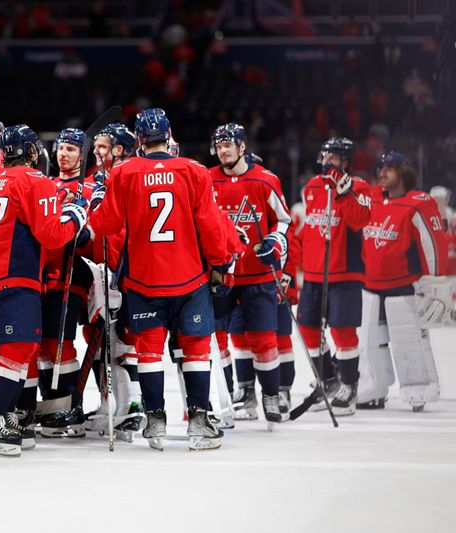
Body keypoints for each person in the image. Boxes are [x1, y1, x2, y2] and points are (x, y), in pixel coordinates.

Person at [89, 108, 232, 450]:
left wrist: (98, 197)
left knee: (149, 351)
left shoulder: (123, 173)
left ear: (138, 140)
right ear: (168, 136)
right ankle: (199, 421)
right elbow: (210, 227)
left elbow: (105, 226)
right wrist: (221, 262)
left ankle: (155, 422)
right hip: (188, 277)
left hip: (143, 279)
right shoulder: (194, 170)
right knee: (196, 349)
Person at [0, 124, 86, 457]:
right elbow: (51, 235)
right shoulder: (36, 180)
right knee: (20, 347)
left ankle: (0, 413)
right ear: (33, 152)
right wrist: (76, 214)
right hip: (13, 274)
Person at [209, 123, 292, 425]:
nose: (223, 150)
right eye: (219, 145)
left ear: (243, 147)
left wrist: (275, 241)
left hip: (257, 276)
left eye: (229, 144)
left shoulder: (265, 180)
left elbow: (283, 220)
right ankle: (229, 398)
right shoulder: (207, 180)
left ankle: (271, 394)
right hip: (222, 276)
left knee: (263, 340)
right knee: (217, 340)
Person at [357, 151, 447, 411]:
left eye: (389, 168)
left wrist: (434, 285)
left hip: (403, 287)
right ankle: (373, 389)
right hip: (370, 286)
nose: (381, 173)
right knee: (370, 343)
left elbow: (432, 244)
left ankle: (417, 390)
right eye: (380, 168)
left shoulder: (418, 202)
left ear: (404, 172)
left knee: (409, 341)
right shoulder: (373, 199)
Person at [296, 137, 372, 415]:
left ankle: (349, 386)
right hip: (315, 274)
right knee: (308, 330)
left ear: (346, 161)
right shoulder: (312, 187)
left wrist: (343, 192)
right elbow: (310, 228)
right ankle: (327, 380)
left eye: (335, 158)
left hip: (344, 272)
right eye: (325, 156)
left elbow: (360, 220)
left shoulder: (360, 187)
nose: (328, 162)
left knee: (342, 331)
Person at [84, 122, 144, 437]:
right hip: (106, 269)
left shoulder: (130, 175)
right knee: (107, 341)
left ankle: (133, 406)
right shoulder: (103, 178)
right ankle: (117, 406)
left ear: (119, 149)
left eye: (103, 146)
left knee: (124, 342)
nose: (96, 151)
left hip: (129, 271)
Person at [37, 127, 94, 438]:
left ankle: (71, 408)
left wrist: (84, 235)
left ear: (81, 155)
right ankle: (51, 406)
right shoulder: (46, 184)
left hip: (70, 276)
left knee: (61, 345)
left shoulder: (89, 187)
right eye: (61, 148)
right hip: (44, 276)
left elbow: (97, 233)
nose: (64, 153)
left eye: (72, 149)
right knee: (45, 346)